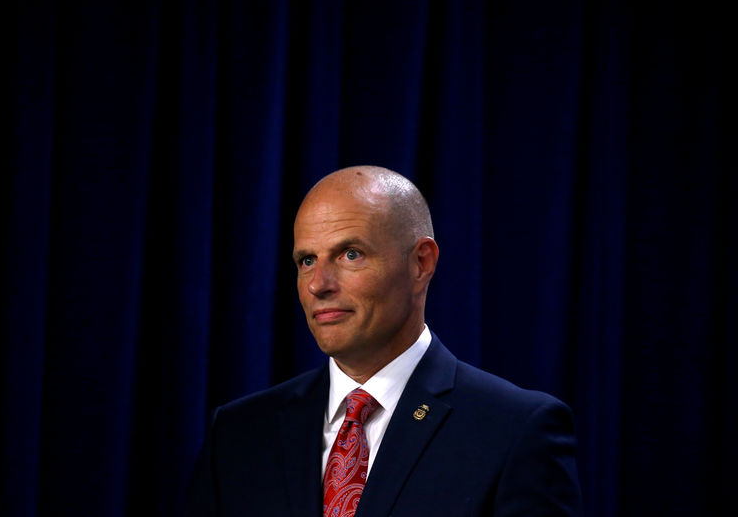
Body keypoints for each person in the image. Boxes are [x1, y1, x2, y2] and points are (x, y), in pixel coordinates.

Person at [184, 166, 582, 516]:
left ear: (420, 263)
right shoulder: (239, 433)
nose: (319, 285)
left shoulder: (513, 430)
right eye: (306, 260)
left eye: (350, 254)